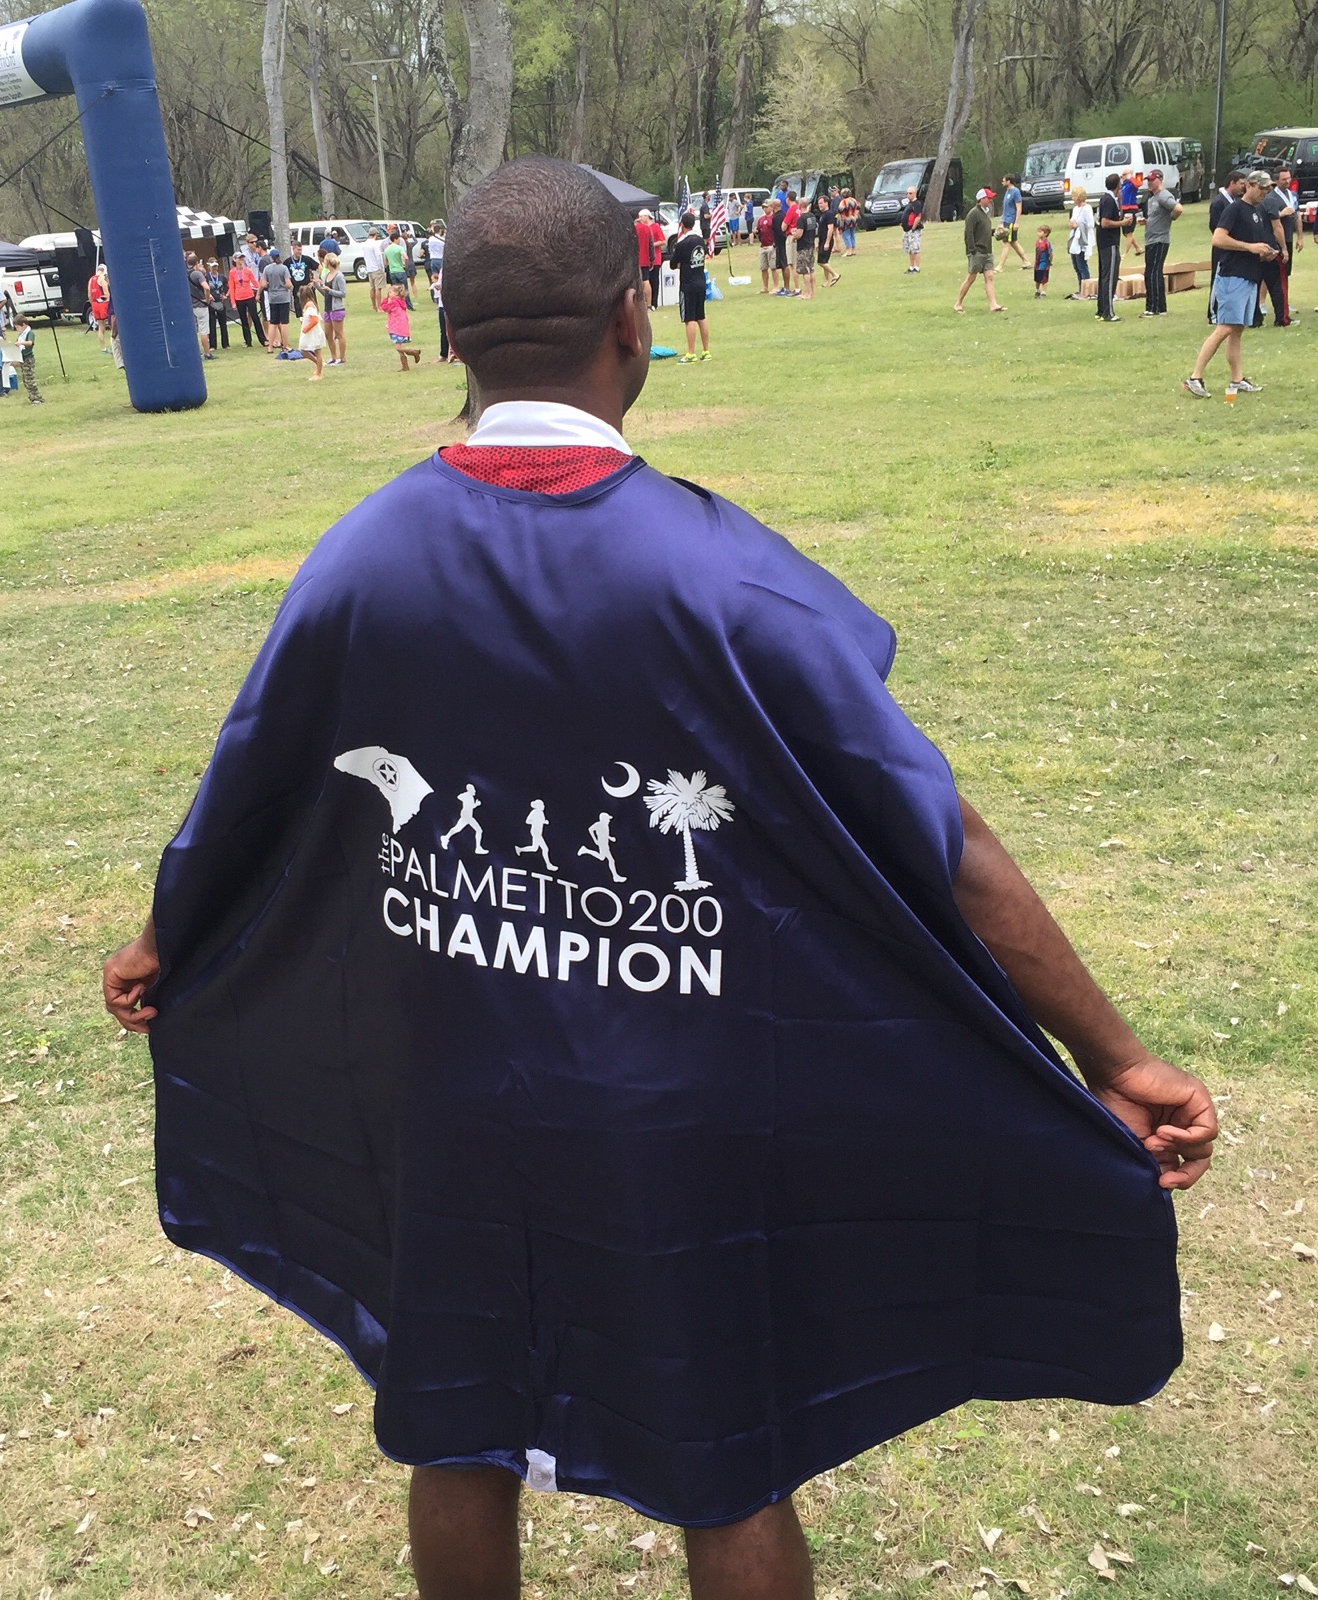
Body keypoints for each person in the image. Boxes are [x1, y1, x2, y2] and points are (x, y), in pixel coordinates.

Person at [105, 154, 1216, 1600]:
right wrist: (1111, 1056)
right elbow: (939, 839)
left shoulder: (360, 558)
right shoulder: (727, 579)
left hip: (447, 1088)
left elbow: (250, 785)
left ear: (444, 335)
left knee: (453, 1421)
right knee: (726, 1452)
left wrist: (166, 936)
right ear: (636, 320)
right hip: (684, 1104)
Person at [1184, 169, 1276, 396]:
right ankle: (1194, 377)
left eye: (1268, 188)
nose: (1265, 192)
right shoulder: (1234, 209)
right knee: (1224, 327)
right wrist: (1250, 247)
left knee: (1237, 329)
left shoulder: (1256, 212)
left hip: (1249, 275)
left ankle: (1237, 380)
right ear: (1249, 186)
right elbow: (1218, 238)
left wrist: (1264, 252)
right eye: (1262, 188)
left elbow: (1251, 244)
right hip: (1232, 276)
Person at [667, 208, 710, 360]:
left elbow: (673, 264)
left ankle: (691, 353)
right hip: (700, 282)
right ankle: (706, 351)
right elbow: (703, 255)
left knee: (689, 319)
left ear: (682, 225)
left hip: (688, 284)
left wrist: (681, 264)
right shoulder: (700, 240)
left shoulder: (682, 243)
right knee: (701, 317)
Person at [954, 188, 1004, 313]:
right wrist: (972, 250)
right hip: (977, 252)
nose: (990, 200)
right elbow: (969, 233)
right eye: (988, 198)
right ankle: (958, 303)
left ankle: (993, 304)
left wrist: (996, 232)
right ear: (981, 199)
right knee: (971, 278)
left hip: (987, 251)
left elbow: (983, 231)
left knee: (990, 277)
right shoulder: (973, 214)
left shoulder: (985, 213)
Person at [1208, 170, 1247, 324]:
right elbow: (1215, 226)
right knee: (1217, 279)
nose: (1243, 187)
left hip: (1232, 248)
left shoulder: (1235, 201)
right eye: (1241, 184)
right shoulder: (1219, 202)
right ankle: (1213, 313)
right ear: (1232, 183)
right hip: (1221, 248)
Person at [1140, 169, 1181, 317]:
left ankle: (1154, 307)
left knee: (1153, 272)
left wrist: (1171, 218)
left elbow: (1178, 208)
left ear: (1160, 179)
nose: (1149, 183)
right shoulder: (1152, 199)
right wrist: (1147, 222)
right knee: (1152, 272)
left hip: (1159, 239)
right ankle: (1159, 306)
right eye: (1148, 180)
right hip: (1151, 239)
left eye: (1152, 180)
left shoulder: (1164, 196)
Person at [1258, 168, 1296, 327]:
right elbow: (1277, 226)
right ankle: (1282, 318)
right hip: (1271, 248)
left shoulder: (1249, 203)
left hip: (1256, 247)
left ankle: (1254, 318)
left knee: (1255, 283)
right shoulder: (1271, 200)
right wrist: (1283, 248)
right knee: (1278, 284)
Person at [1095, 173, 1124, 322]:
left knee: (1104, 276)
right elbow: (1105, 222)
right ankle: (1108, 312)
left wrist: (1120, 201)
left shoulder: (1108, 199)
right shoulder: (1108, 200)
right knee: (1110, 276)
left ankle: (1101, 309)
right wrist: (1122, 224)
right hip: (1109, 243)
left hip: (1104, 242)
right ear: (1117, 185)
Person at [379, 281, 421, 368]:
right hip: (401, 326)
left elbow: (384, 307)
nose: (389, 294)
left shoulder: (394, 302)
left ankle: (414, 352)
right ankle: (405, 366)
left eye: (390, 292)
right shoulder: (401, 301)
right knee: (399, 347)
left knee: (398, 348)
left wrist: (385, 299)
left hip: (397, 327)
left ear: (396, 293)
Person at [227, 254, 265, 347]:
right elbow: (231, 288)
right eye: (239, 258)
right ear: (234, 260)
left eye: (242, 258)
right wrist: (233, 302)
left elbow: (255, 283)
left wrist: (260, 289)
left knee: (255, 317)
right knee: (244, 320)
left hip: (249, 297)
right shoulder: (232, 272)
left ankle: (263, 339)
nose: (241, 260)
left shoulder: (248, 270)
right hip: (239, 298)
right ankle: (248, 341)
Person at [261, 248, 293, 356]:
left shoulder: (267, 269)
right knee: (284, 322)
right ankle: (285, 345)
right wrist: (288, 286)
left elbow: (263, 284)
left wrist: (271, 285)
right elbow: (288, 284)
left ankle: (270, 346)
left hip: (272, 297)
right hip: (283, 297)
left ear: (271, 258)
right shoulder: (284, 268)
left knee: (273, 323)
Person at [1065, 185, 1094, 298]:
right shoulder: (1075, 209)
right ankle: (1081, 287)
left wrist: (1078, 225)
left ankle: (1087, 288)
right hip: (1075, 238)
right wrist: (1072, 224)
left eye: (1074, 196)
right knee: (1076, 265)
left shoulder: (1087, 208)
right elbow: (1073, 220)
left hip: (1083, 238)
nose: (1072, 198)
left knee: (1082, 265)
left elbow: (1090, 224)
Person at [293, 284, 325, 381]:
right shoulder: (309, 304)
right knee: (303, 350)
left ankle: (318, 373)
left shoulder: (310, 305)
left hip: (314, 332)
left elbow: (314, 320)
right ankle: (318, 364)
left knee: (316, 352)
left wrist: (306, 328)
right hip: (311, 332)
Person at [186, 252, 214, 361]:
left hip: (190, 305)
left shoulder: (184, 274)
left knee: (193, 330)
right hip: (201, 305)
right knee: (204, 330)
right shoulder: (197, 274)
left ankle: (195, 352)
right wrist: (207, 299)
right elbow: (206, 288)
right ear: (196, 263)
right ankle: (207, 353)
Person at [321, 252, 349, 365]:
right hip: (327, 308)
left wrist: (330, 290)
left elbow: (343, 293)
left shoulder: (339, 276)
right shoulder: (327, 275)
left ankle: (342, 358)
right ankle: (333, 357)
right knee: (328, 334)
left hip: (337, 308)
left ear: (328, 262)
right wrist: (318, 285)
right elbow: (325, 293)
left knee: (339, 334)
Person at [996, 174, 1027, 269]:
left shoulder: (1015, 192)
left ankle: (1000, 266)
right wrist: (1001, 222)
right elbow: (1006, 208)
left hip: (1011, 221)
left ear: (1008, 181)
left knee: (1006, 243)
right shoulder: (1007, 192)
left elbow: (1019, 208)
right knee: (1013, 242)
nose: (1002, 182)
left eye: (1003, 180)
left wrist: (1016, 222)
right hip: (1006, 220)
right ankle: (1026, 261)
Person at [14, 313, 43, 403]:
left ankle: (37, 398)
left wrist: (21, 343)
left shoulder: (30, 333)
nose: (17, 329)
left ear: (23, 325)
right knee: (25, 380)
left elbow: (30, 343)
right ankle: (32, 397)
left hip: (28, 359)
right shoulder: (20, 335)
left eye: (17, 327)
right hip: (22, 358)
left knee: (30, 379)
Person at [634, 208, 660, 307]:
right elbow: (651, 245)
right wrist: (652, 258)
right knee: (646, 281)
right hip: (645, 259)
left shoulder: (632, 228)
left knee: (635, 283)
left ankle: (637, 305)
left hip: (635, 260)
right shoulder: (647, 228)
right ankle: (649, 304)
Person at [793, 201, 818, 299]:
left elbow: (799, 234)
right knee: (811, 269)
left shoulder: (801, 219)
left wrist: (794, 236)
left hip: (803, 247)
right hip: (811, 244)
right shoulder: (812, 216)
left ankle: (807, 293)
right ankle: (813, 292)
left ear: (799, 206)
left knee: (805, 270)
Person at [814, 194, 840, 288]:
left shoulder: (829, 214)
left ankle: (835, 274)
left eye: (821, 203)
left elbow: (830, 229)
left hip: (826, 240)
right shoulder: (823, 215)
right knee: (825, 261)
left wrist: (827, 242)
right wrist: (818, 243)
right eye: (819, 203)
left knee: (821, 261)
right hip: (822, 240)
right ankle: (827, 281)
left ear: (826, 203)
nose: (819, 205)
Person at [775, 192, 798, 295]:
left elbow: (783, 226)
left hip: (791, 237)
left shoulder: (791, 210)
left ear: (788, 199)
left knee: (792, 264)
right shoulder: (798, 208)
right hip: (798, 235)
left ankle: (796, 288)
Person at [205, 258, 231, 351]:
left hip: (221, 303)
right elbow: (203, 288)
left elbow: (229, 286)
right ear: (209, 267)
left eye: (216, 266)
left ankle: (225, 344)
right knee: (212, 324)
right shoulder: (206, 277)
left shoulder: (222, 277)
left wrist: (226, 295)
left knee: (223, 324)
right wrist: (208, 295)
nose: (215, 268)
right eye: (213, 267)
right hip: (211, 303)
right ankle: (213, 345)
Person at [362, 225, 387, 311]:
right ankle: (379, 307)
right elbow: (378, 257)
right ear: (375, 234)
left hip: (369, 268)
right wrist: (382, 268)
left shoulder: (365, 244)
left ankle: (374, 306)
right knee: (378, 288)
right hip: (376, 268)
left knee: (372, 288)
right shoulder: (375, 244)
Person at [755, 199, 777, 294]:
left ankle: (775, 286)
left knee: (773, 267)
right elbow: (759, 230)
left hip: (771, 245)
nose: (765, 209)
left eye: (766, 207)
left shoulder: (774, 218)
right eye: (763, 207)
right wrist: (756, 232)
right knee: (763, 268)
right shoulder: (761, 219)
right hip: (763, 245)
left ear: (771, 207)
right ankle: (765, 287)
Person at [901, 186, 924, 272]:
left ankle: (916, 268)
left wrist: (913, 228)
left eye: (910, 193)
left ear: (914, 194)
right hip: (907, 230)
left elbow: (918, 216)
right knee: (910, 250)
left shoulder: (917, 204)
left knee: (915, 249)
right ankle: (911, 267)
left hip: (913, 230)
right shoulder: (909, 204)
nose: (908, 195)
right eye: (907, 193)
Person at [89, 264, 111, 352]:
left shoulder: (91, 279)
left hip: (94, 304)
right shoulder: (102, 278)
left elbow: (89, 295)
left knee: (100, 327)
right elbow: (106, 294)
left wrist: (93, 304)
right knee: (111, 325)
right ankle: (114, 346)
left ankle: (103, 348)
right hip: (103, 304)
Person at [1119, 171, 1142, 256]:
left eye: (1124, 174)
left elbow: (1138, 184)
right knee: (1125, 233)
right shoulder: (1124, 185)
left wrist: (1131, 177)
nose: (1122, 176)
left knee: (1129, 232)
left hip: (1131, 209)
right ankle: (1138, 248)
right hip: (1124, 209)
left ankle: (1125, 253)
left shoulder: (1132, 184)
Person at [836, 188, 859, 256]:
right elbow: (858, 208)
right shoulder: (854, 200)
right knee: (852, 235)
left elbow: (840, 210)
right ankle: (853, 250)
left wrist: (840, 220)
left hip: (846, 220)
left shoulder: (843, 201)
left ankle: (848, 251)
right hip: (854, 219)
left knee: (846, 235)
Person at [1031, 226, 1053, 297]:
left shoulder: (1047, 243)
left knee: (1044, 278)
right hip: (1037, 263)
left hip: (1044, 263)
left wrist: (1050, 261)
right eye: (1038, 232)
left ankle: (1043, 292)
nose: (1038, 233)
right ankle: (1037, 290)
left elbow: (1050, 253)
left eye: (1040, 232)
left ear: (1046, 233)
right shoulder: (1037, 242)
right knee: (1037, 278)